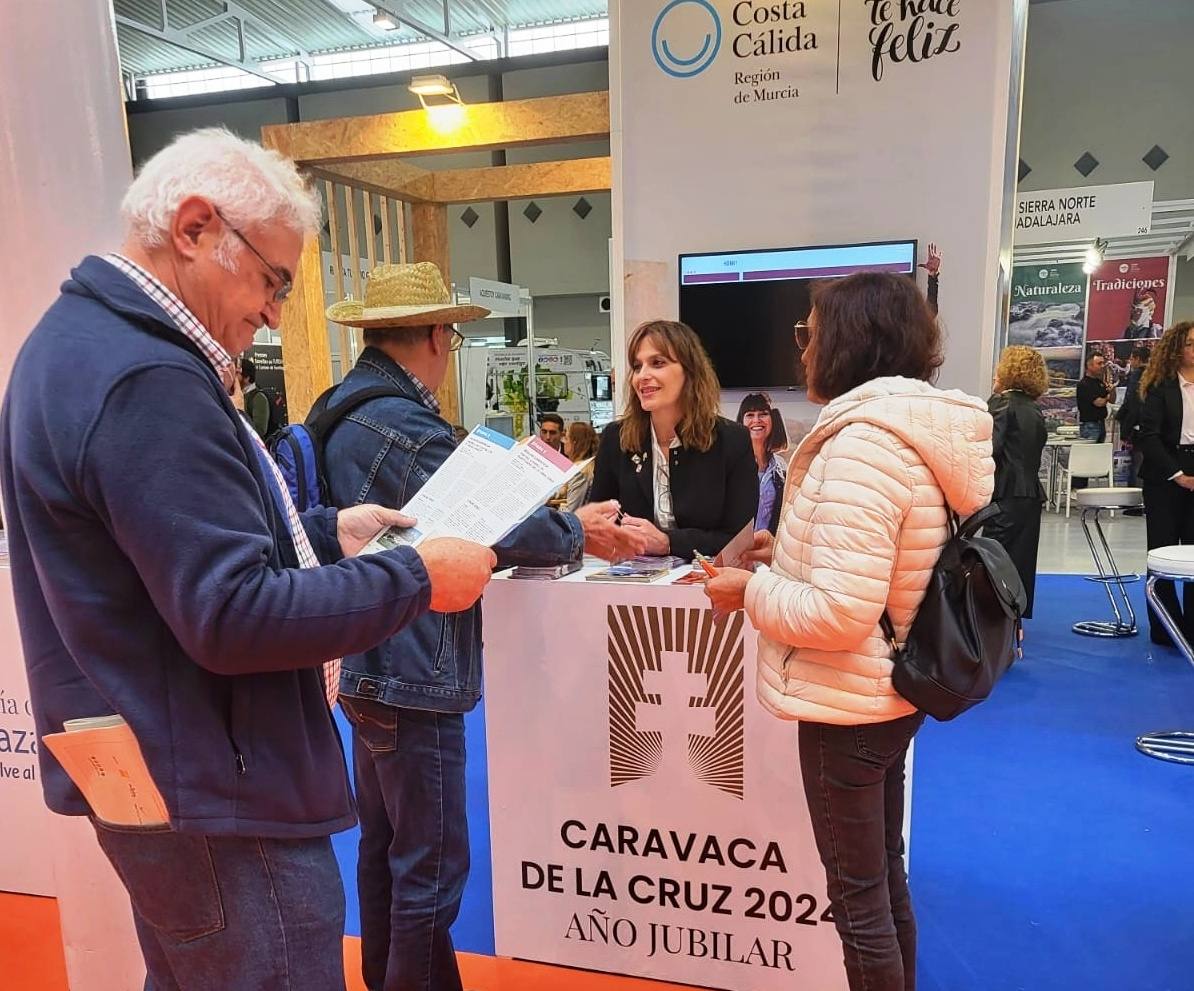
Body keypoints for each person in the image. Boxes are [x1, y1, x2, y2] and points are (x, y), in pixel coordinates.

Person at [0, 129, 498, 991]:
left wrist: (325, 529)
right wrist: (416, 576)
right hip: (221, 795)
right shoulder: (146, 377)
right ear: (195, 227)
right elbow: (230, 613)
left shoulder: (80, 348)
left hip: (170, 779)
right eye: (272, 278)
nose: (273, 311)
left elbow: (160, 556)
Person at [321, 262, 645, 991]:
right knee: (428, 871)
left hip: (364, 659)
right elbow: (490, 529)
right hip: (417, 667)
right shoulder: (406, 426)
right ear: (438, 334)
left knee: (385, 853)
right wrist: (573, 529)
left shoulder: (338, 410)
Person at [704, 272, 994, 991]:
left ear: (849, 342)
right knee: (881, 884)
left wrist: (749, 589)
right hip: (884, 691)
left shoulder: (860, 445)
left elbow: (838, 613)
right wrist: (789, 558)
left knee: (858, 900)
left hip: (847, 702)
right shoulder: (904, 433)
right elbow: (873, 569)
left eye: (809, 332)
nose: (800, 349)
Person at [590, 319, 757, 560]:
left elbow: (738, 539)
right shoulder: (615, 438)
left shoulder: (732, 440)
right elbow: (599, 523)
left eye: (657, 363)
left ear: (689, 371)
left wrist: (669, 542)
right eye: (637, 367)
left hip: (706, 583)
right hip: (629, 583)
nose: (642, 376)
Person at [1137, 321, 1194, 647]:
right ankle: (1165, 628)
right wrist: (1178, 474)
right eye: (1189, 343)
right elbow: (1149, 437)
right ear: (1176, 349)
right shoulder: (1160, 387)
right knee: (1161, 551)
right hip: (1165, 476)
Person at [985, 347, 1048, 619]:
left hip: (1005, 492)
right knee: (1021, 560)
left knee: (994, 558)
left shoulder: (1001, 404)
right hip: (1031, 492)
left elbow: (990, 449)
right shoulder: (1034, 410)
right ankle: (1014, 615)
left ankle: (990, 617)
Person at [736, 392, 788, 535]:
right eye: (750, 415)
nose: (756, 420)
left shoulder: (782, 468)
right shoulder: (731, 464)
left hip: (765, 552)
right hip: (732, 551)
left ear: (773, 420)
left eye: (763, 414)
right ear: (741, 422)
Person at [1115, 345, 1152, 489]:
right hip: (1148, 425)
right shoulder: (1154, 375)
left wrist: (1125, 427)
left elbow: (1132, 403)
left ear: (1137, 359)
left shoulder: (1136, 375)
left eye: (1132, 358)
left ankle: (1135, 502)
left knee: (1136, 462)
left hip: (1136, 426)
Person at [559, 420, 599, 512]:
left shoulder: (580, 472)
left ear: (575, 443)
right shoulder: (587, 467)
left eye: (566, 438)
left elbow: (571, 512)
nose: (563, 441)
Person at [1076, 350, 1112, 443]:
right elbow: (1099, 403)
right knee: (1089, 454)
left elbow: (1112, 400)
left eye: (1103, 363)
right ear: (1089, 366)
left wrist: (1113, 389)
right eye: (1099, 363)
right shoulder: (1084, 384)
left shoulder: (1100, 383)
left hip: (1101, 423)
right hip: (1090, 426)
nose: (1102, 366)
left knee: (1099, 454)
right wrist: (1107, 397)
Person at [238, 355, 271, 438]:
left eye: (237, 373)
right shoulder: (240, 395)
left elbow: (259, 430)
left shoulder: (258, 398)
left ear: (247, 378)